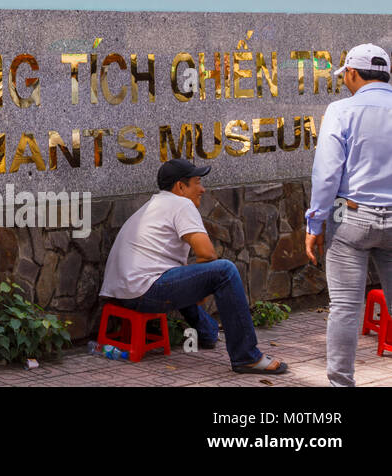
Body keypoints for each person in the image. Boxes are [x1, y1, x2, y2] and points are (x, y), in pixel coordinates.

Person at [100, 158, 286, 374]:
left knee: (179, 272)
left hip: (123, 295)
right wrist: (201, 290)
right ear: (181, 186)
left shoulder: (153, 205)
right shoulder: (181, 203)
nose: (203, 189)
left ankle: (207, 333)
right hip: (144, 292)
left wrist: (197, 287)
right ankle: (247, 356)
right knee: (224, 271)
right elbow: (207, 253)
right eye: (197, 182)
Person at [304, 43, 392, 387]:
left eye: (346, 77)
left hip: (351, 218)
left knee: (344, 307)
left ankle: (341, 384)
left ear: (353, 74)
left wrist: (315, 222)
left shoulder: (341, 110)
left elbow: (327, 173)